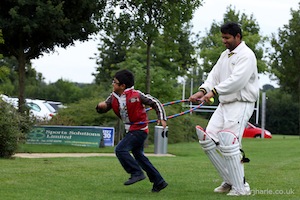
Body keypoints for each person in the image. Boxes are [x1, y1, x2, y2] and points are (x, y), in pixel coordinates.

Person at [189, 22, 259, 196]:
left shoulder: (246, 55)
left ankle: (241, 187)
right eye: (222, 37)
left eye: (227, 38)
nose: (224, 41)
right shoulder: (224, 55)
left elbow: (237, 81)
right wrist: (202, 90)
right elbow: (214, 75)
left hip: (241, 103)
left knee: (229, 143)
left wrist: (214, 91)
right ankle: (230, 180)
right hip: (224, 104)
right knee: (208, 140)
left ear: (237, 37)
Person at [96, 69, 168, 192]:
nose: (113, 84)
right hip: (130, 129)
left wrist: (162, 118)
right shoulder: (113, 97)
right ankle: (159, 181)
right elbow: (105, 107)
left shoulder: (137, 95)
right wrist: (100, 107)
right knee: (139, 157)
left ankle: (136, 173)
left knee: (120, 149)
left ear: (122, 86)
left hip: (139, 129)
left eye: (115, 82)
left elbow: (155, 103)